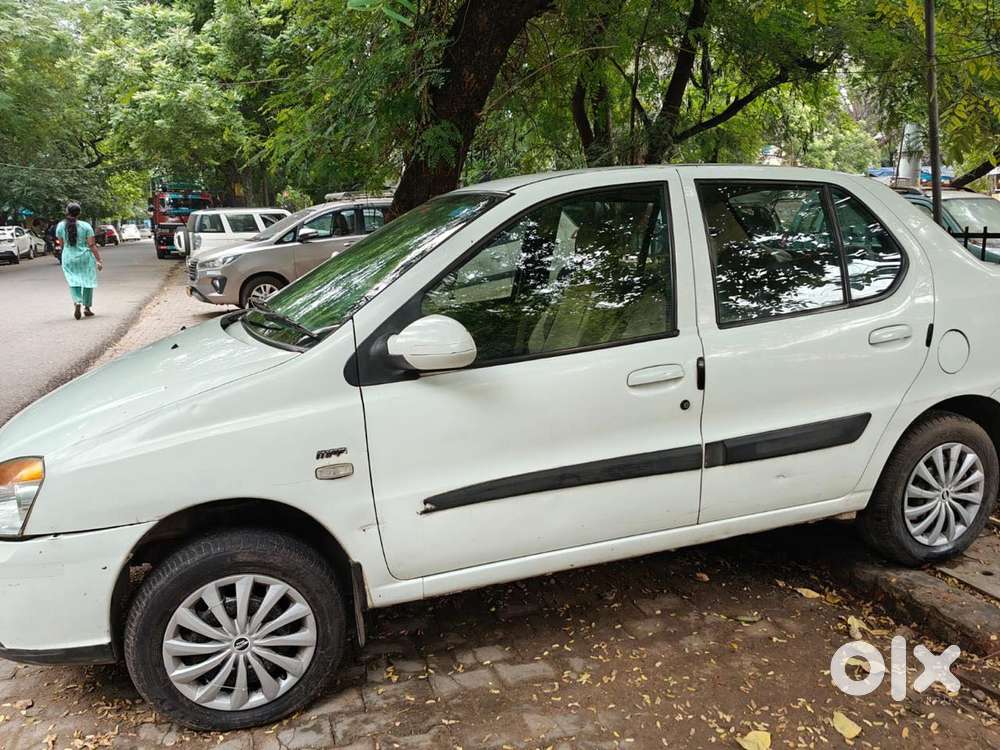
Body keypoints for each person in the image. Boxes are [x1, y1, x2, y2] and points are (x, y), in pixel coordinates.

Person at [55, 202, 103, 319]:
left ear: (67, 212)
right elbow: (91, 244)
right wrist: (99, 259)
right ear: (79, 213)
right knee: (88, 281)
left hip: (68, 257)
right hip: (85, 257)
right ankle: (87, 307)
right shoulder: (86, 226)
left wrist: (67, 253)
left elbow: (62, 244)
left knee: (73, 280)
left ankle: (77, 301)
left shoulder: (60, 226)